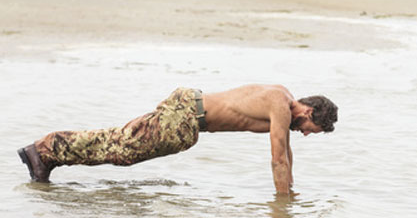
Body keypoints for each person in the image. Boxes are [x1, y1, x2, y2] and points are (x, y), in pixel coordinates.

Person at [17, 84, 338, 194]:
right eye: (312, 129)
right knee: (121, 148)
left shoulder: (282, 101)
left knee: (120, 145)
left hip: (188, 113)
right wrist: (282, 209)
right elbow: (278, 158)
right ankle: (43, 151)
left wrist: (291, 192)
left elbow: (287, 155)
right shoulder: (280, 105)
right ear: (308, 111)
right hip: (186, 116)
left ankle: (46, 155)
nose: (307, 134)